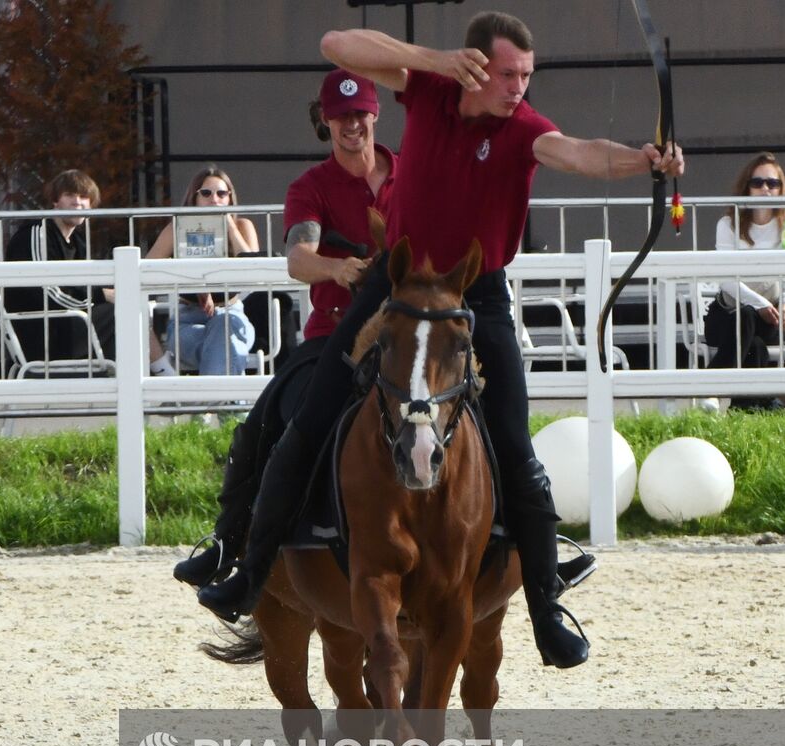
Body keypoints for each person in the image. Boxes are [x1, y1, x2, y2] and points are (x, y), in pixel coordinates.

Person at [196, 12, 685, 670]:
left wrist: (642, 160)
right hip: (394, 289)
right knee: (309, 421)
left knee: (514, 443)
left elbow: (578, 152)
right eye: (508, 74)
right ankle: (249, 575)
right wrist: (435, 59)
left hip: (475, 297)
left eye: (526, 76)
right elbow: (334, 43)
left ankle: (545, 605)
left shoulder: (523, 130)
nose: (518, 87)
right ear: (477, 65)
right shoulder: (425, 89)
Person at [173, 69, 394, 588]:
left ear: (375, 114)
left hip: (409, 326)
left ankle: (524, 543)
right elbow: (298, 256)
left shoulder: (414, 177)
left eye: (359, 114)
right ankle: (236, 552)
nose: (351, 125)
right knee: (266, 425)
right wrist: (336, 270)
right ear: (325, 122)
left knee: (484, 405)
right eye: (340, 117)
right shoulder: (310, 187)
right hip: (335, 330)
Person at [2, 169, 173, 374]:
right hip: (42, 333)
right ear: (55, 201)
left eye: (84, 197)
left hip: (66, 324)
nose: (77, 202)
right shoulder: (37, 233)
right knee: (123, 310)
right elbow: (47, 292)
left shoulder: (77, 241)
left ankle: (146, 378)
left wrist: (110, 294)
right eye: (70, 195)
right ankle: (161, 376)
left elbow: (84, 284)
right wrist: (102, 295)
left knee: (129, 306)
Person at [704, 152, 785, 411]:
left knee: (755, 333)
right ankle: (746, 410)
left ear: (781, 188)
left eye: (772, 184)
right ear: (747, 187)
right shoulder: (729, 223)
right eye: (758, 182)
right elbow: (725, 278)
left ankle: (708, 388)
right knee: (753, 338)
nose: (765, 189)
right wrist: (758, 303)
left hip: (772, 317)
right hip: (727, 314)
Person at [146, 165, 258, 375]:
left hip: (231, 313)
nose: (214, 199)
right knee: (227, 344)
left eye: (222, 193)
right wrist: (197, 283)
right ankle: (227, 402)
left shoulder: (243, 226)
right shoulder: (176, 229)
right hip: (187, 319)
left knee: (224, 325)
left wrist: (230, 228)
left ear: (230, 198)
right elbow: (145, 270)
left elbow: (254, 270)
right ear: (194, 197)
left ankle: (212, 405)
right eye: (206, 193)